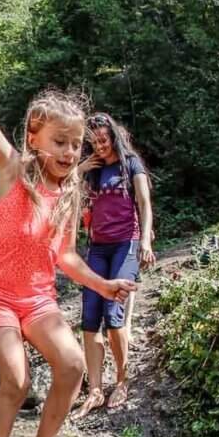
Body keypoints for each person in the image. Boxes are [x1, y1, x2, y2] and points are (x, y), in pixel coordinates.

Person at [0, 11, 137, 437]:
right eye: (59, 141)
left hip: (37, 299)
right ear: (35, 138)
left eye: (76, 144)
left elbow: (65, 256)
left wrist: (103, 286)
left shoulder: (72, 193)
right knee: (15, 381)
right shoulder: (14, 170)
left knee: (73, 365)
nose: (68, 151)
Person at [72, 113, 155, 420]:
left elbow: (144, 204)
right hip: (97, 246)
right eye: (94, 142)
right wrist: (79, 170)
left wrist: (145, 242)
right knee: (90, 316)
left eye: (104, 140)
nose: (100, 146)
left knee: (113, 312)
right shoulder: (91, 169)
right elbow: (64, 192)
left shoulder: (130, 163)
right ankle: (95, 388)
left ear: (114, 137)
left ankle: (122, 380)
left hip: (126, 243)